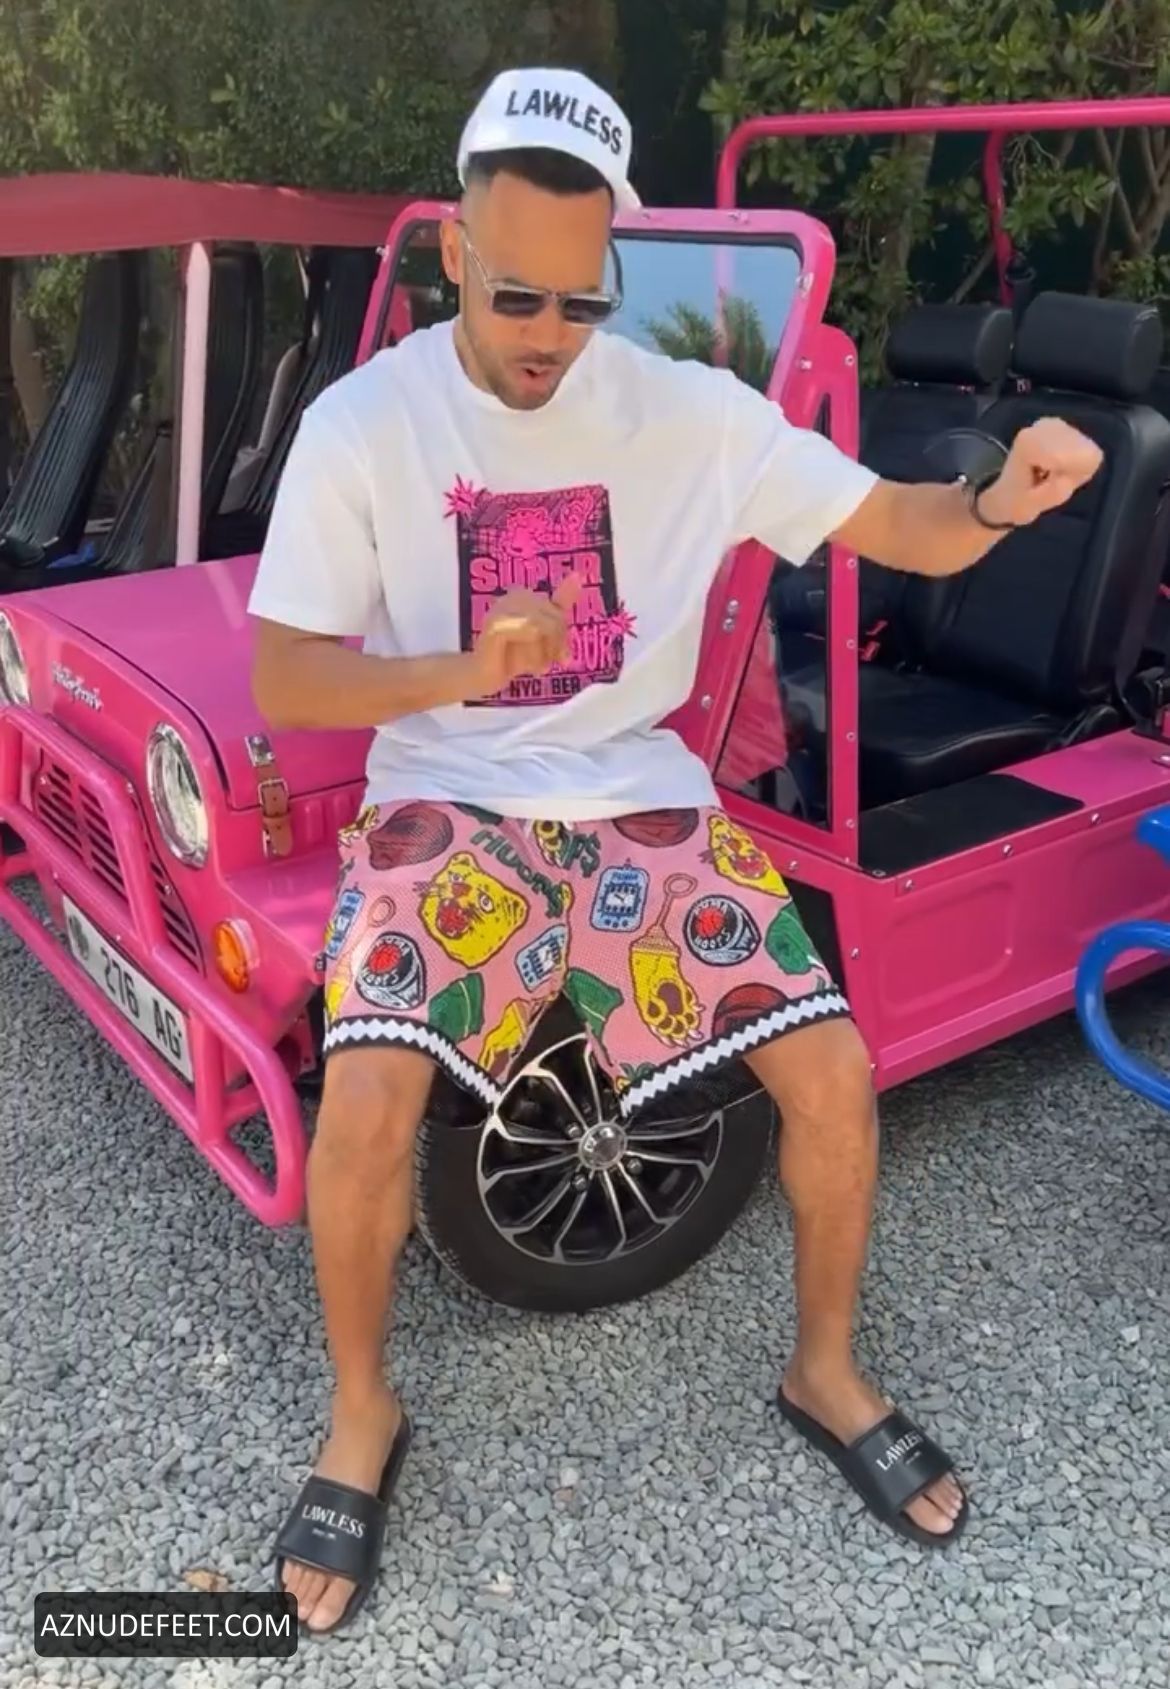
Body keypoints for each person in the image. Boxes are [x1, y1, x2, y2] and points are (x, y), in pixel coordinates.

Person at [247, 65, 1103, 1634]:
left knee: (830, 1069)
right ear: (452, 251)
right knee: (363, 1101)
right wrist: (462, 669)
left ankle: (824, 1365)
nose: (546, 333)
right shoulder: (364, 421)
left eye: (581, 300)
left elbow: (897, 522)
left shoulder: (689, 413)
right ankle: (361, 1408)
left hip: (638, 797)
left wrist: (1001, 495)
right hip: (446, 793)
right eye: (514, 294)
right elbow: (287, 676)